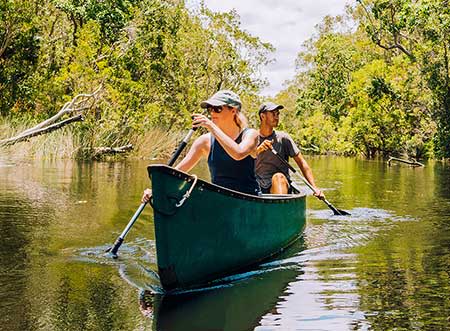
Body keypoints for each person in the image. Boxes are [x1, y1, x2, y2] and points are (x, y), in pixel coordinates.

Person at [142, 90, 260, 202]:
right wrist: (156, 189)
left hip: (249, 199)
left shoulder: (250, 135)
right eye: (210, 109)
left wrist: (210, 126)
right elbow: (179, 171)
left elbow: (238, 153)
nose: (212, 113)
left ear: (233, 110)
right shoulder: (204, 141)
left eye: (217, 109)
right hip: (221, 201)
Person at [256, 102, 325, 198]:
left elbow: (302, 163)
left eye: (278, 114)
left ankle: (279, 207)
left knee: (278, 177)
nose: (276, 117)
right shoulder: (251, 138)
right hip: (256, 184)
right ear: (262, 116)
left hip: (279, 184)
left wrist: (314, 187)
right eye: (273, 114)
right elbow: (241, 160)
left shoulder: (284, 138)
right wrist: (258, 150)